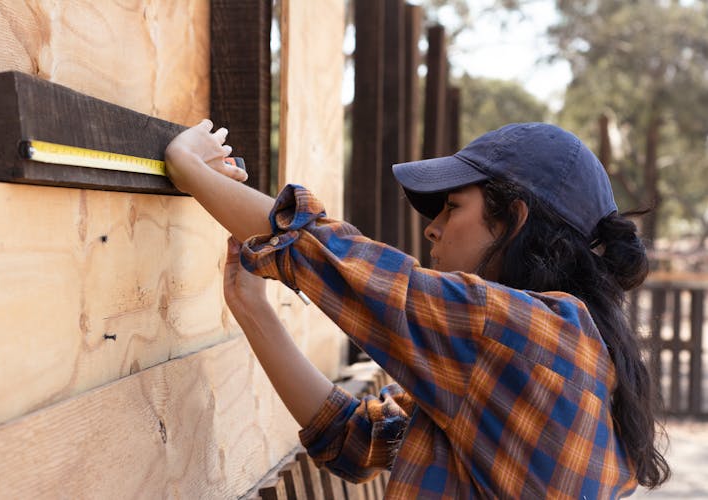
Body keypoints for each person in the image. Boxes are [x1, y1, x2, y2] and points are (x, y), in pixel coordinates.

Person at [165, 120, 670, 498]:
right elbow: (360, 439)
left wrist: (190, 167)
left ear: (514, 219)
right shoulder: (561, 354)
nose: (432, 228)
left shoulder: (529, 336)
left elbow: (332, 256)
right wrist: (253, 307)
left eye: (453, 207)